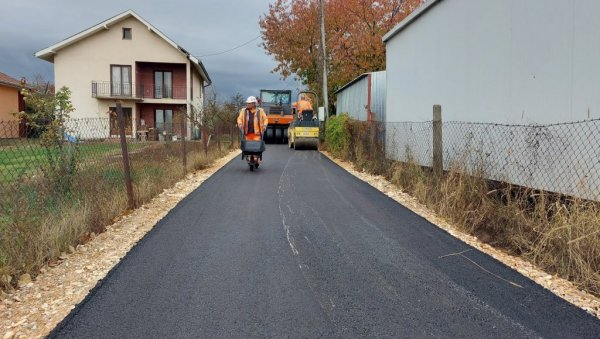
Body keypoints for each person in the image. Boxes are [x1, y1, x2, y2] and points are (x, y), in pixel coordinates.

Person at [237, 96, 268, 162]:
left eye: (249, 103)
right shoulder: (243, 111)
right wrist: (240, 124)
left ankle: (256, 158)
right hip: (247, 133)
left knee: (256, 148)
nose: (247, 104)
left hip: (257, 134)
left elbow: (265, 119)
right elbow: (239, 118)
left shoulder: (260, 111)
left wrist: (265, 125)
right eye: (247, 103)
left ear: (254, 104)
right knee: (249, 148)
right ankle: (249, 157)